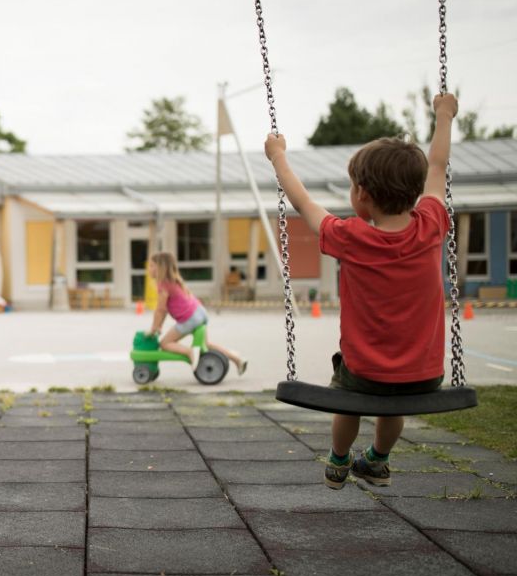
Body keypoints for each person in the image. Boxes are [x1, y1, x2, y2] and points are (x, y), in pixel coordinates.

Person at [264, 93, 459, 491]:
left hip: (364, 374)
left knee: (346, 398)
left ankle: (338, 461)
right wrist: (444, 115)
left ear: (362, 196)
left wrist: (278, 157)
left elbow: (302, 201)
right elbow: (438, 165)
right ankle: (378, 460)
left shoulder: (350, 236)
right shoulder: (432, 223)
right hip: (424, 377)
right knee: (394, 406)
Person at [147, 252, 247, 376]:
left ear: (160, 268)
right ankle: (237, 359)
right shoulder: (175, 280)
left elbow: (160, 310)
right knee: (206, 344)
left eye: (151, 266)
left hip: (189, 319)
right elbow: (164, 310)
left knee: (165, 344)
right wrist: (159, 326)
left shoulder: (163, 285)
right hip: (200, 312)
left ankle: (190, 352)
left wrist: (153, 329)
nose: (149, 269)